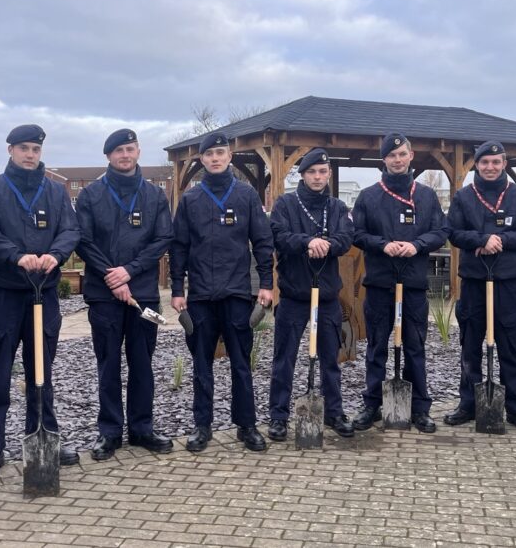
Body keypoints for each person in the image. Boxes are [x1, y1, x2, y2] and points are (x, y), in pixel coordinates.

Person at [0, 124, 81, 481]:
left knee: (41, 374)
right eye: (23, 148)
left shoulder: (55, 190)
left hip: (43, 295)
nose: (30, 155)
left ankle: (44, 437)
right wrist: (16, 256)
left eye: (35, 149)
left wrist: (56, 254)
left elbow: (70, 229)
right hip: (5, 294)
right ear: (10, 151)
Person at [170, 131, 274, 453]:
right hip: (200, 297)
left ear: (229, 157)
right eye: (209, 154)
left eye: (220, 153)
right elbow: (179, 247)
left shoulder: (246, 196)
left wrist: (267, 284)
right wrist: (177, 289)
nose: (215, 158)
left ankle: (247, 425)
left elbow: (262, 242)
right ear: (201, 160)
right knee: (202, 366)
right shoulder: (190, 200)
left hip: (236, 296)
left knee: (241, 364)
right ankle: (202, 427)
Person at [75, 129, 174, 460]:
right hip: (104, 296)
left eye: (129, 149)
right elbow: (84, 241)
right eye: (118, 150)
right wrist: (112, 278)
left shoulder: (154, 195)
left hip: (143, 296)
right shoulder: (90, 195)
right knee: (108, 364)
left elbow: (162, 239)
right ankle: (110, 432)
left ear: (138, 151)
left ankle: (142, 428)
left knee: (142, 363)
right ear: (108, 156)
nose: (124, 155)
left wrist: (129, 271)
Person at [351, 133, 451, 433]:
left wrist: (418, 245)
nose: (397, 160)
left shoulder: (425, 195)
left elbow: (441, 230)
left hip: (413, 284)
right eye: (392, 156)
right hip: (380, 283)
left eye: (402, 154)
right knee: (377, 346)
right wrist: (382, 245)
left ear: (411, 156)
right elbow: (356, 234)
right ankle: (372, 404)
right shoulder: (369, 196)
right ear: (384, 160)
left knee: (415, 346)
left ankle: (420, 407)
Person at [444, 141, 516, 431]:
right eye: (485, 162)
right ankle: (468, 405)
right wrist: (480, 240)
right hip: (473, 282)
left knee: (511, 346)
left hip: (507, 283)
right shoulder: (464, 196)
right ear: (476, 164)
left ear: (504, 164)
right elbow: (453, 232)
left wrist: (502, 241)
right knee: (470, 346)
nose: (490, 167)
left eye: (496, 162)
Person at [267, 148, 355, 441]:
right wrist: (307, 242)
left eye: (322, 172)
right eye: (312, 172)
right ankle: (278, 416)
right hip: (294, 296)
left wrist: (328, 245)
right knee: (284, 360)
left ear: (328, 174)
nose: (317, 177)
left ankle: (334, 413)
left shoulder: (338, 207)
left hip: (327, 297)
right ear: (302, 175)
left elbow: (345, 238)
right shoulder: (285, 205)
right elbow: (278, 235)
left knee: (331, 360)